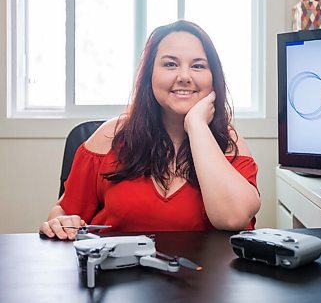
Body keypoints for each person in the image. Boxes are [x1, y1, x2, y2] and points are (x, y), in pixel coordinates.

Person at [39, 20, 261, 240]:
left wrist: (197, 126)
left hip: (203, 275)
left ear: (213, 79)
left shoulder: (230, 144)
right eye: (170, 64)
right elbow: (64, 212)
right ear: (149, 75)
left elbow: (233, 219)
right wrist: (61, 222)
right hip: (117, 273)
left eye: (198, 66)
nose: (184, 76)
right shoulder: (109, 137)